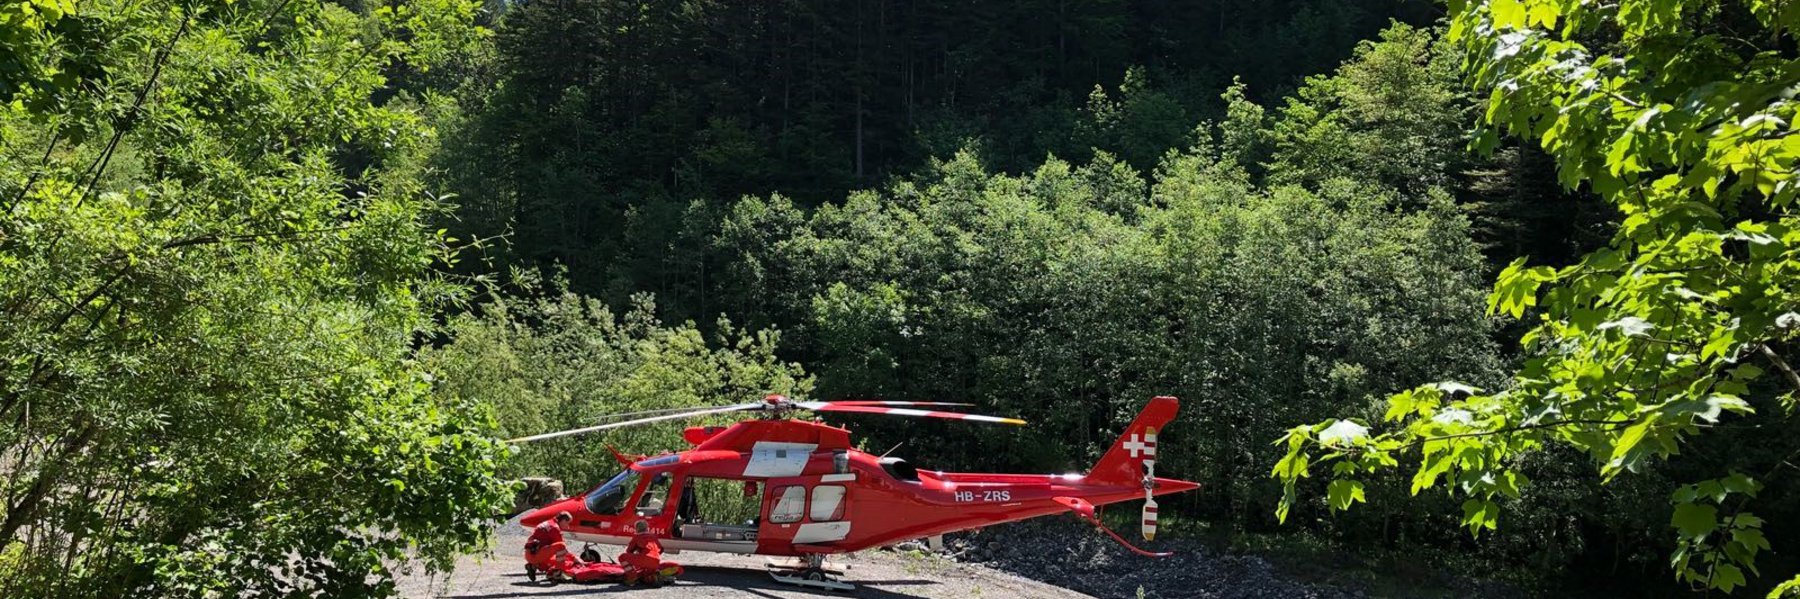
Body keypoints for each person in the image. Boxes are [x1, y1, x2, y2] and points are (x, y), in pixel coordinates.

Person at [525, 511, 580, 580]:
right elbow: (562, 548)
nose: (568, 527)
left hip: (531, 554)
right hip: (536, 555)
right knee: (561, 545)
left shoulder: (548, 523)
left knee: (553, 561)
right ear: (563, 520)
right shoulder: (554, 528)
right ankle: (557, 573)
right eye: (567, 523)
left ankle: (533, 566)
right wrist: (575, 558)